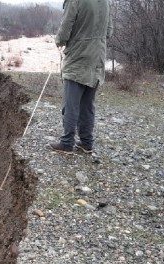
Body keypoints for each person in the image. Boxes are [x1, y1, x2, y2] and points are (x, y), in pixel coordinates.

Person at [49, 0, 113, 155]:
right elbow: (109, 31)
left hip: (78, 57)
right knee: (87, 104)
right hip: (97, 57)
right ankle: (86, 142)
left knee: (71, 104)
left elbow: (65, 30)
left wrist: (59, 41)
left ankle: (66, 143)